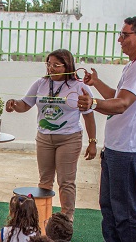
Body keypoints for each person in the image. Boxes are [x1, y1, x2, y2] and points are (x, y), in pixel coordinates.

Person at [78, 16, 136, 242]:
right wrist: (96, 84)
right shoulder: (135, 65)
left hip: (128, 148)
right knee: (110, 203)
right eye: (120, 34)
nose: (120, 40)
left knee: (125, 208)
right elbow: (117, 97)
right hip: (118, 147)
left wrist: (91, 104)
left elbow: (122, 103)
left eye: (125, 35)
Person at [6, 49, 97, 221]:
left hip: (69, 138)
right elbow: (25, 104)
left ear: (68, 66)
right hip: (44, 138)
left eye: (56, 65)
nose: (51, 68)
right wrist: (14, 104)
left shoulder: (79, 87)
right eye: (48, 64)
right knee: (45, 181)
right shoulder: (41, 83)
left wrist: (92, 142)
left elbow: (89, 115)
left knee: (66, 181)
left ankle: (66, 218)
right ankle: (42, 217)